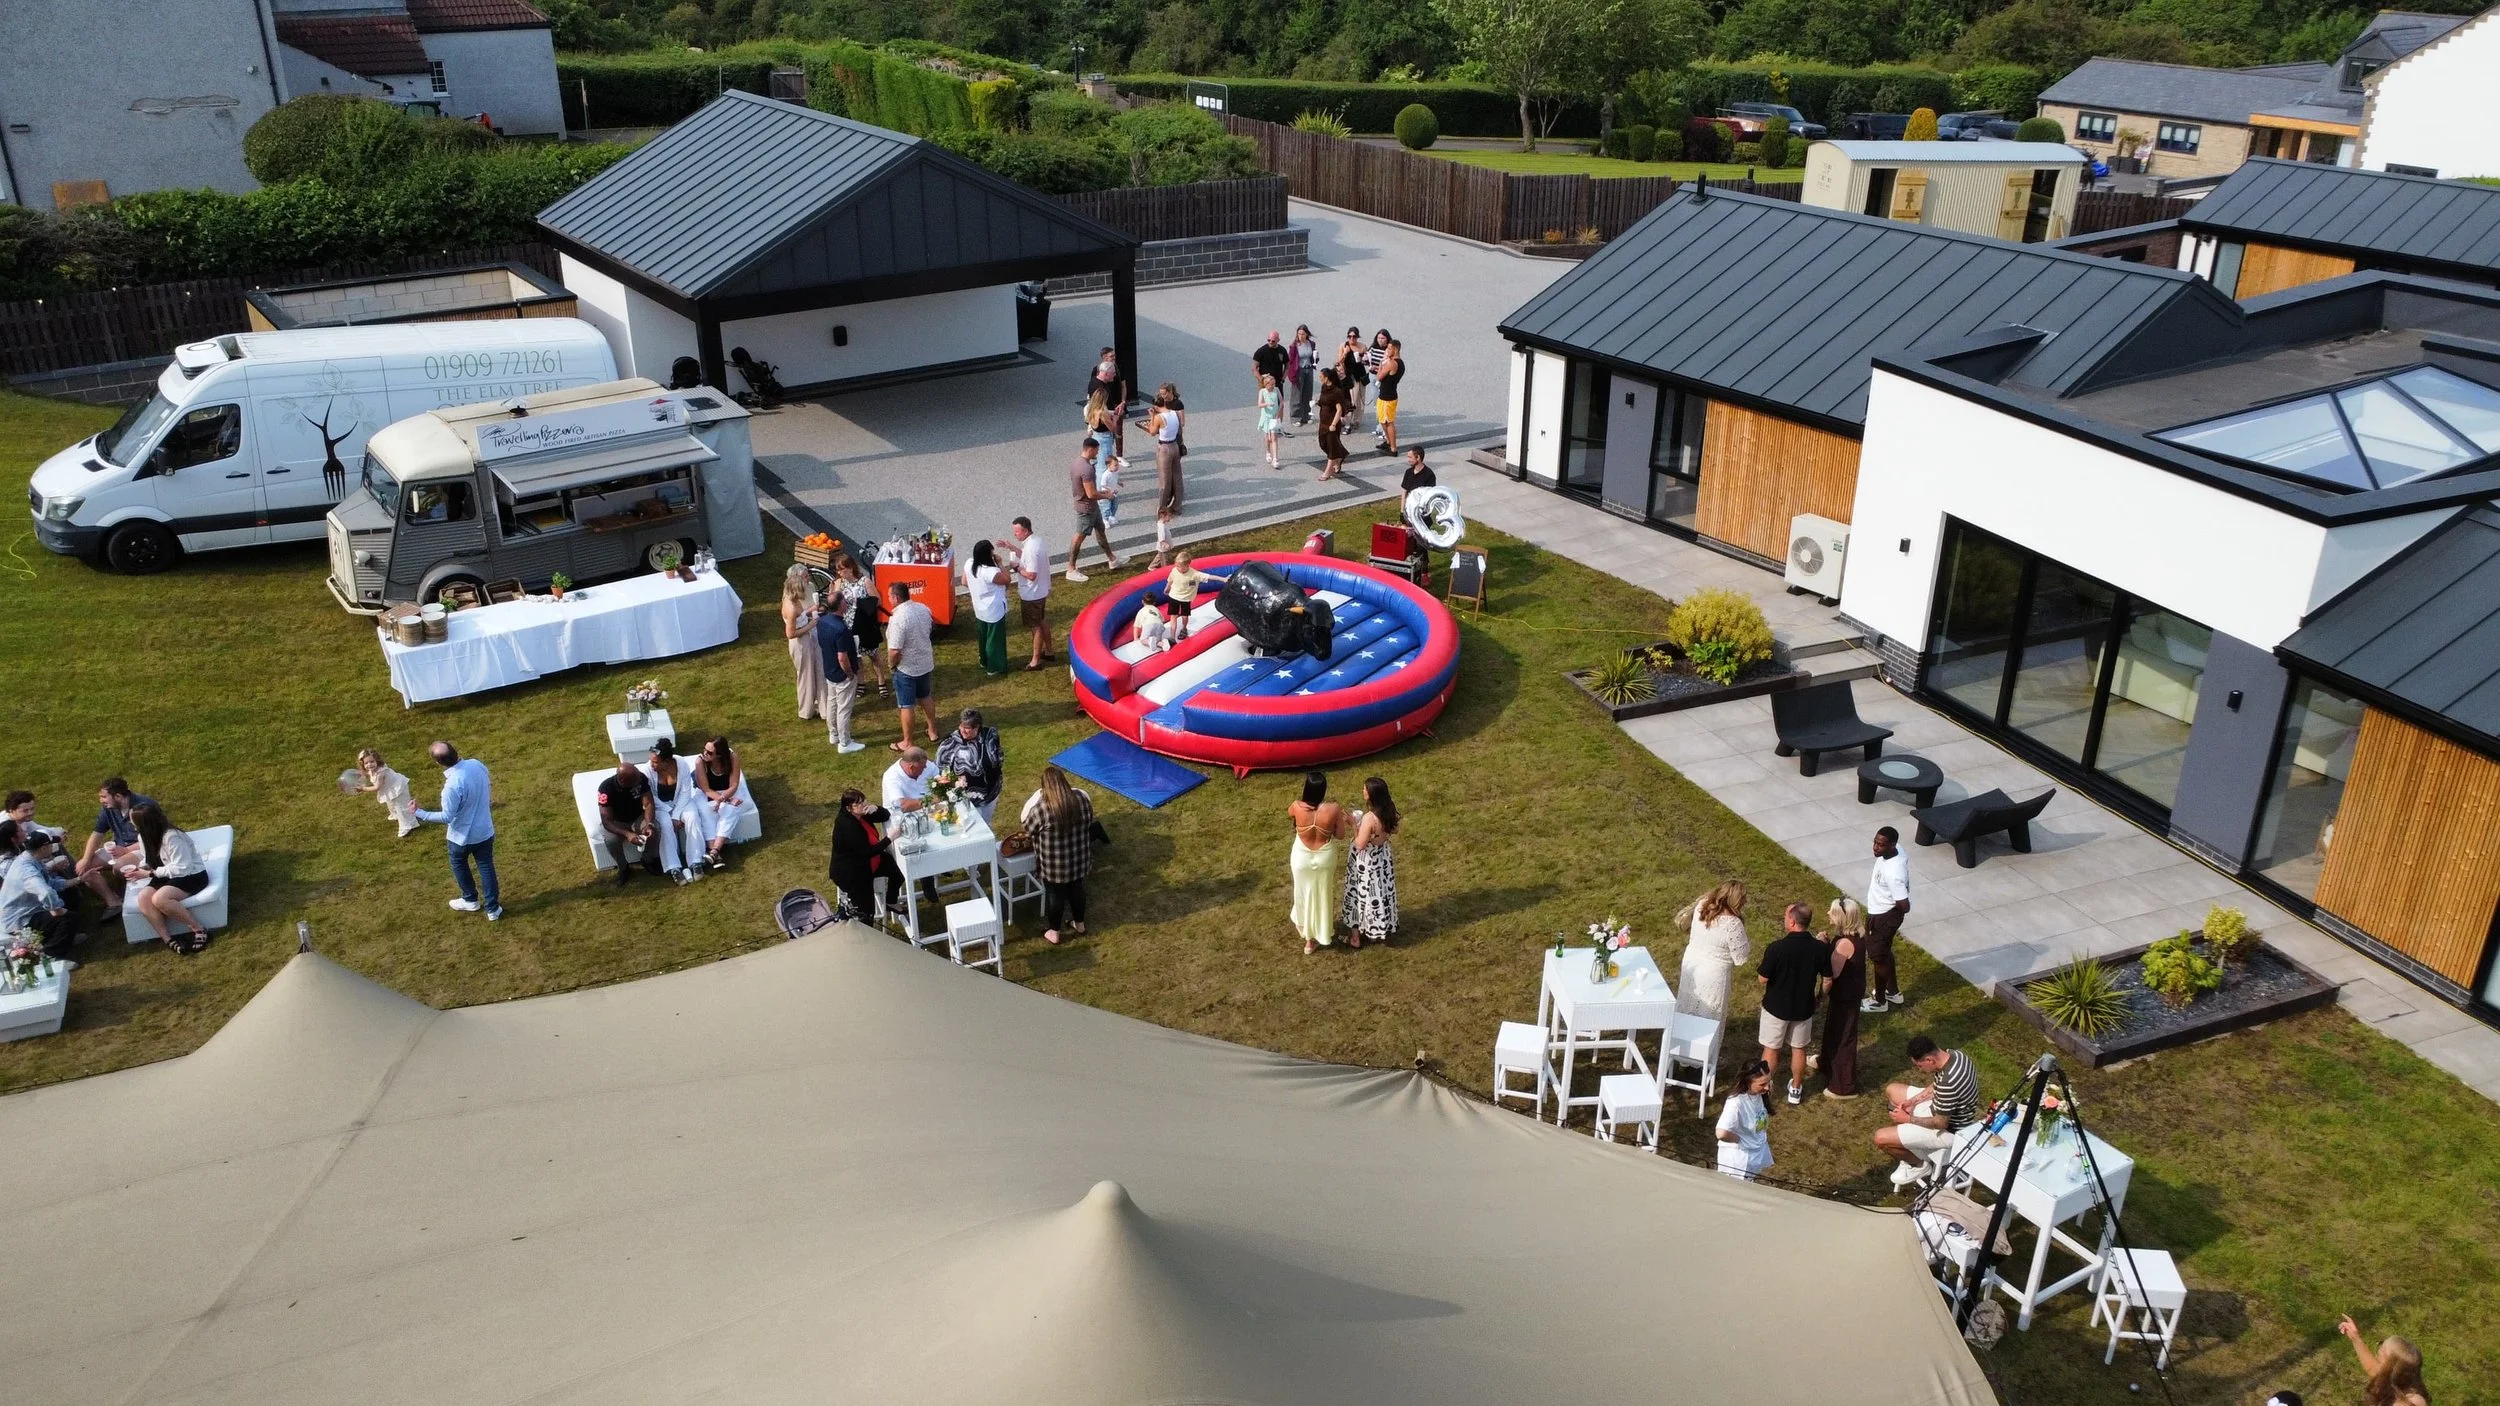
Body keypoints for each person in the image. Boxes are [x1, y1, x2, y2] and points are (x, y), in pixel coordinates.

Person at [1875, 1034, 1980, 1188]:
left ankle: (1919, 1165)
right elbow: (1937, 1086)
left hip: (1950, 1131)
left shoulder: (1949, 1083)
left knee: (1880, 1139)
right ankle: (1906, 1141)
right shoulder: (1955, 1055)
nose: (1919, 1070)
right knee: (1892, 1090)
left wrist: (1908, 1119)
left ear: (1929, 1060)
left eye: (1919, 1065)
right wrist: (1911, 1102)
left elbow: (1940, 1123)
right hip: (1939, 1108)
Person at [416, 743, 501, 920]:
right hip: (485, 830)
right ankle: (493, 909)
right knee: (486, 867)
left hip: (460, 837)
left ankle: (470, 900)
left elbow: (447, 817)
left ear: (438, 763)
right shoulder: (477, 764)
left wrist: (419, 813)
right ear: (456, 751)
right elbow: (487, 782)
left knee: (459, 864)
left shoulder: (451, 786)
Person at [1755, 901, 1823, 1106]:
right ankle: (1795, 1089)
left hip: (1776, 1008)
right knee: (1798, 1049)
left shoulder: (1777, 948)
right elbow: (1828, 978)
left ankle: (1763, 1089)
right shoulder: (1819, 949)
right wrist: (1820, 997)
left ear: (1792, 922)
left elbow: (1762, 979)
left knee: (1771, 1050)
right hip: (1803, 1008)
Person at [1022, 765, 1097, 946]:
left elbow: (1028, 829)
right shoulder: (1082, 799)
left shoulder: (1042, 809)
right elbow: (1090, 820)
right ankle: (1079, 925)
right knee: (1077, 890)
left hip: (1054, 866)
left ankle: (1054, 932)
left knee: (1055, 895)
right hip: (1079, 860)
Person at [126, 800, 213, 953]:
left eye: (135, 823)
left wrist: (149, 873)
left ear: (146, 824)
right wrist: (139, 869)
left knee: (160, 898)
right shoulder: (143, 836)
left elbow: (183, 868)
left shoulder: (172, 837)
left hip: (191, 875)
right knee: (144, 897)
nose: (132, 826)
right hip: (166, 873)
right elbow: (149, 859)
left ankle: (199, 929)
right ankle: (167, 938)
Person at [1288, 772, 1350, 955]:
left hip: (1301, 858)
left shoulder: (1296, 806)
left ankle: (1308, 938)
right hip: (1324, 857)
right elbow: (1340, 835)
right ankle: (1319, 933)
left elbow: (1291, 815)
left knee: (1303, 893)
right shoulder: (1333, 809)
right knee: (1322, 894)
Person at [1, 822, 81, 960]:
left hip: (27, 910)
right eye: (50, 845)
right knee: (67, 918)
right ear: (44, 848)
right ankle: (51, 955)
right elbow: (46, 892)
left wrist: (79, 879)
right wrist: (57, 910)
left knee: (70, 895)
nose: (53, 847)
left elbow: (51, 883)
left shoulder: (31, 858)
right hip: (19, 920)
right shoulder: (28, 871)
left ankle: (66, 937)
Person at [1337, 775, 1400, 946]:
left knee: (1359, 894)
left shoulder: (1370, 818)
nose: (1363, 790)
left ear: (1372, 794)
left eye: (1365, 788)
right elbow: (1395, 829)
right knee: (1379, 893)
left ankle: (1355, 937)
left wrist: (1352, 824)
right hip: (1382, 859)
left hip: (1367, 863)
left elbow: (1360, 844)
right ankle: (1377, 928)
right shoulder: (1389, 811)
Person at [1676, 880, 1750, 1022]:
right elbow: (1741, 958)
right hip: (1714, 975)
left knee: (1686, 1005)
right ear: (1737, 900)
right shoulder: (1733, 924)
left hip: (1691, 964)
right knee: (1709, 1016)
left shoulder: (1701, 906)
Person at [1818, 898, 1867, 1098]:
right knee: (1833, 1029)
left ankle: (1843, 1086)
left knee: (1843, 1037)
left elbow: (1832, 974)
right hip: (1850, 994)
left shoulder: (1844, 944)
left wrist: (1822, 947)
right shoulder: (1857, 936)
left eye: (1832, 912)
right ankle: (1826, 1061)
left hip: (1845, 997)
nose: (1828, 914)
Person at [643, 741, 711, 884]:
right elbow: (651, 797)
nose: (652, 764)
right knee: (666, 824)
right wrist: (670, 814)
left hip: (682, 801)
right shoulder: (647, 771)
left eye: (655, 762)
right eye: (651, 761)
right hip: (660, 806)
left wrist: (676, 815)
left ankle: (696, 861)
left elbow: (686, 791)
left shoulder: (681, 764)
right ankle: (673, 867)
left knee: (692, 817)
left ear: (666, 761)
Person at [829, 788, 900, 925]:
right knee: (866, 911)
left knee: (897, 874)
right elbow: (868, 851)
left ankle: (890, 901)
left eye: (863, 801)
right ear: (849, 808)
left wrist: (876, 809)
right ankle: (867, 933)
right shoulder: (848, 826)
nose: (863, 805)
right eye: (858, 804)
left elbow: (885, 816)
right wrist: (889, 838)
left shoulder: (861, 814)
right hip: (854, 873)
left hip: (870, 861)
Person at [885, 581, 940, 751]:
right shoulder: (923, 608)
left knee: (906, 705)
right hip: (925, 662)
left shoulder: (897, 619)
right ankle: (933, 731)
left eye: (889, 596)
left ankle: (907, 742)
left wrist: (891, 665)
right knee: (925, 696)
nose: (888, 599)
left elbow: (894, 650)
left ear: (896, 597)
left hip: (906, 668)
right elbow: (929, 629)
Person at [81, 777, 152, 900]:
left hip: (143, 847)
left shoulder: (144, 807)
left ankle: (145, 877)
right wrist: (85, 860)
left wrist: (126, 850)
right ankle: (113, 902)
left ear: (118, 796)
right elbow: (97, 833)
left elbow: (152, 838)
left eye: (104, 797)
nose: (101, 800)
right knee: (85, 869)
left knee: (119, 867)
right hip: (118, 847)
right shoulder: (109, 809)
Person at [1865, 825, 1911, 1012]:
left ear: (1892, 845)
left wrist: (1889, 916)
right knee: (1884, 952)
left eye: (1881, 845)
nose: (1876, 847)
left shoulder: (1894, 873)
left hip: (1884, 916)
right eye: (1875, 842)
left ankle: (1880, 1001)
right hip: (1879, 913)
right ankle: (1893, 992)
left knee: (1878, 958)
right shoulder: (1897, 851)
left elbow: (1904, 905)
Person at [814, 586, 865, 753]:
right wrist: (850, 674)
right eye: (844, 600)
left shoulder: (822, 621)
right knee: (844, 708)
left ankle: (833, 734)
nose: (846, 603)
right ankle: (845, 743)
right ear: (840, 605)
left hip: (829, 670)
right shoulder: (841, 629)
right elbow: (842, 657)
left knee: (832, 702)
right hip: (842, 674)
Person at [1063, 437, 1121, 583]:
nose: (1097, 453)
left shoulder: (1076, 463)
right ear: (1090, 449)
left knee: (1100, 530)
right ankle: (1071, 569)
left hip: (1090, 506)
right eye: (1096, 450)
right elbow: (1091, 494)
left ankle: (1112, 559)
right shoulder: (1086, 469)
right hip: (1086, 507)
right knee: (1079, 536)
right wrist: (1107, 495)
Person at [594, 756, 658, 886]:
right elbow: (606, 821)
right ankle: (623, 868)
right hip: (616, 822)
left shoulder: (641, 778)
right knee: (611, 840)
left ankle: (647, 859)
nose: (639, 779)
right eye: (635, 779)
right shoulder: (606, 789)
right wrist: (627, 834)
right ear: (623, 780)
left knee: (654, 830)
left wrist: (649, 824)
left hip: (637, 817)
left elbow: (649, 803)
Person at [935, 707, 1005, 826]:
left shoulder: (990, 735)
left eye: (967, 728)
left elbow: (998, 755)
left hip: (991, 792)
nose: (963, 730)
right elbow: (941, 771)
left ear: (977, 727)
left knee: (987, 823)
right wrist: (955, 782)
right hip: (966, 797)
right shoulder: (950, 743)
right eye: (961, 726)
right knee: (973, 826)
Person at [831, 554, 888, 699]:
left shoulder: (865, 581)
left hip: (865, 624)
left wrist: (861, 602)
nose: (839, 573)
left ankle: (881, 682)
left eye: (841, 569)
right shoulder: (839, 583)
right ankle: (861, 683)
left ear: (850, 568)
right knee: (856, 657)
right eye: (838, 570)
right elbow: (834, 601)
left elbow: (878, 601)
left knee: (873, 654)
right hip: (848, 624)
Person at [2339, 1317, 2429, 1406]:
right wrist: (2355, 1338)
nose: (2378, 1351)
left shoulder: (2409, 1402)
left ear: (2391, 1368)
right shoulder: (2402, 1384)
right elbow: (2374, 1369)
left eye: (2382, 1351)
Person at [1715, 1059, 1777, 1182]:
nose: (1767, 1087)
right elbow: (1721, 1133)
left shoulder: (1759, 1095)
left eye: (1768, 1082)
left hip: (1755, 1150)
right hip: (1739, 1159)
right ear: (1747, 1082)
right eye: (1762, 1084)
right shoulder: (1736, 1103)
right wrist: (1739, 1139)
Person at [1146, 382, 1187, 569]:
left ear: (1156, 405)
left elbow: (1152, 432)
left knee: (1164, 480)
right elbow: (1178, 429)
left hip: (1164, 447)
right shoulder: (1173, 414)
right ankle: (1177, 504)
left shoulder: (1160, 416)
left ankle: (1161, 509)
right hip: (1175, 446)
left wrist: (1151, 418)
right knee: (1177, 477)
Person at [781, 564, 828, 723]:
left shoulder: (794, 601)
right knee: (806, 676)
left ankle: (824, 708)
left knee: (819, 670)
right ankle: (806, 711)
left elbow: (802, 617)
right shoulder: (791, 607)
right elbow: (790, 634)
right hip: (800, 643)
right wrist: (811, 625)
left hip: (807, 638)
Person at [693, 735, 747, 869]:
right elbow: (705, 789)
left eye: (710, 752)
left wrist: (724, 799)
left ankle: (714, 851)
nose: (705, 753)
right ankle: (716, 853)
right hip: (709, 792)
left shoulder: (732, 757)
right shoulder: (700, 762)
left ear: (719, 755)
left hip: (727, 791)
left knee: (730, 810)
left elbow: (734, 785)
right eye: (705, 749)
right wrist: (721, 799)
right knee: (706, 813)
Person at [1011, 516, 1055, 672]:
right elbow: (1027, 555)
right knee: (1042, 620)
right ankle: (1049, 651)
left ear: (1025, 530)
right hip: (1042, 590)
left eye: (1016, 531)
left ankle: (1035, 661)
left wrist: (1016, 568)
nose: (1015, 534)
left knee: (1035, 626)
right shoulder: (1037, 541)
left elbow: (1031, 575)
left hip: (1032, 593)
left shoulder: (1030, 549)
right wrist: (1013, 549)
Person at [963, 538, 1013, 677]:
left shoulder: (969, 564)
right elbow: (1007, 579)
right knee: (994, 640)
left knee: (983, 636)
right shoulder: (990, 572)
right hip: (994, 610)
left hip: (979, 608)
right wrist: (1000, 563)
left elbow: (964, 581)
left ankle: (983, 660)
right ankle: (994, 666)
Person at [351, 748, 422, 839]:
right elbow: (368, 773)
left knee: (401, 807)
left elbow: (377, 787)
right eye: (366, 763)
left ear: (377, 760)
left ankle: (407, 826)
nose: (369, 765)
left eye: (372, 761)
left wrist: (362, 789)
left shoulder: (381, 773)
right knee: (391, 804)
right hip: (390, 789)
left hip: (398, 788)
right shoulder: (372, 769)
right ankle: (395, 815)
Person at [1162, 547, 1211, 640]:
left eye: (1180, 566)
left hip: (1185, 599)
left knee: (1184, 616)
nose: (1178, 568)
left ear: (1187, 565)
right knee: (1173, 616)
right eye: (1177, 566)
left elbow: (1209, 576)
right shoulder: (1174, 570)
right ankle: (1172, 637)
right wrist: (1167, 588)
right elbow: (1171, 579)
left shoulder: (1194, 574)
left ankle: (1184, 629)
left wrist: (1223, 579)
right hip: (1174, 596)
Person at [1314, 366, 1351, 480]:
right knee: (1322, 443)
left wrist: (1334, 424)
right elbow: (1323, 400)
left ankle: (1328, 472)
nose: (1319, 378)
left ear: (1326, 377)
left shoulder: (1336, 391)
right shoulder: (1324, 387)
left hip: (1332, 423)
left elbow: (1339, 409)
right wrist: (1316, 403)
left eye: (1321, 376)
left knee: (1332, 446)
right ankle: (1340, 456)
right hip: (1323, 422)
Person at [1374, 337, 1404, 454]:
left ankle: (1393, 448)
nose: (1387, 350)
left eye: (1389, 348)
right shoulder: (1401, 363)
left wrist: (1382, 363)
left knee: (1388, 422)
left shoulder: (1392, 363)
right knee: (1382, 420)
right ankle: (1388, 441)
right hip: (1388, 394)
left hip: (1388, 397)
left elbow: (1379, 376)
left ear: (1395, 350)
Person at [883, 745, 933, 814]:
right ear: (912, 767)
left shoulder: (923, 763)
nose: (925, 767)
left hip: (928, 810)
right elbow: (903, 806)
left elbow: (939, 777)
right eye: (922, 767)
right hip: (901, 817)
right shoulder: (891, 778)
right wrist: (932, 800)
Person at [1363, 328, 1392, 443]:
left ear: (1387, 339)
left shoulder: (1388, 350)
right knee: (1376, 403)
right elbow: (1366, 361)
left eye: (1383, 338)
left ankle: (1384, 430)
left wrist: (1377, 368)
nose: (1380, 340)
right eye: (1379, 338)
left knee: (1383, 404)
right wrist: (1365, 359)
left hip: (1383, 378)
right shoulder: (1373, 348)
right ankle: (1380, 427)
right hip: (1372, 376)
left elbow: (1388, 365)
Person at [1287, 324, 1318, 426]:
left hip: (1308, 369)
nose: (1301, 336)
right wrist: (1291, 373)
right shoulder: (1294, 346)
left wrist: (1316, 358)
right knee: (1296, 394)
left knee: (1307, 393)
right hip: (1299, 370)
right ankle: (1295, 417)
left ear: (1307, 334)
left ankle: (1306, 415)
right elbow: (1290, 360)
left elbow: (1313, 356)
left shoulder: (1311, 344)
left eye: (1303, 334)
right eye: (1299, 333)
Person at [1257, 372, 1283, 469]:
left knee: (1274, 437)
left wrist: (1278, 414)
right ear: (1266, 384)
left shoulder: (1276, 390)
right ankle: (1268, 452)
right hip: (1266, 417)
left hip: (1274, 417)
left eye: (1274, 384)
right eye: (1271, 384)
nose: (1273, 386)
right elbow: (1259, 404)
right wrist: (1266, 404)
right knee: (1268, 437)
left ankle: (1275, 458)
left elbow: (1281, 402)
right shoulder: (1262, 392)